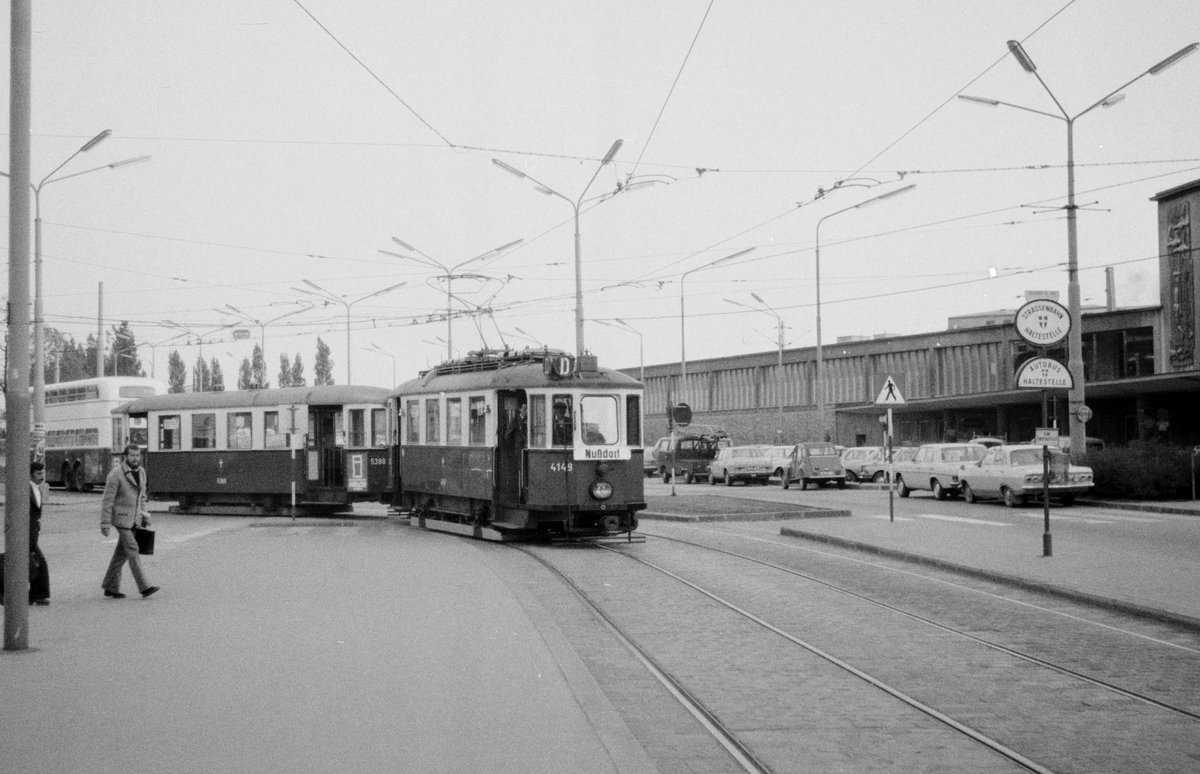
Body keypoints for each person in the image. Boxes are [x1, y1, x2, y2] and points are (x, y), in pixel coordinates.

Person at [100, 445, 159, 599]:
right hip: (121, 519)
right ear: (125, 457)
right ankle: (145, 587)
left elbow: (142, 497)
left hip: (135, 519)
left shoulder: (142, 472)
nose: (135, 458)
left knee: (120, 554)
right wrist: (105, 523)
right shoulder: (115, 474)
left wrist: (144, 515)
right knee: (133, 548)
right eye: (132, 455)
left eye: (137, 455)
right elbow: (107, 501)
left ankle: (110, 586)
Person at [29, 461, 51, 605]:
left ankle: (36, 594)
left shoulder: (37, 488)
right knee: (39, 563)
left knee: (35, 563)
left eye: (42, 473)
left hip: (32, 533)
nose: (41, 476)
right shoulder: (28, 488)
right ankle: (38, 595)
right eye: (38, 474)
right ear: (31, 475)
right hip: (28, 534)